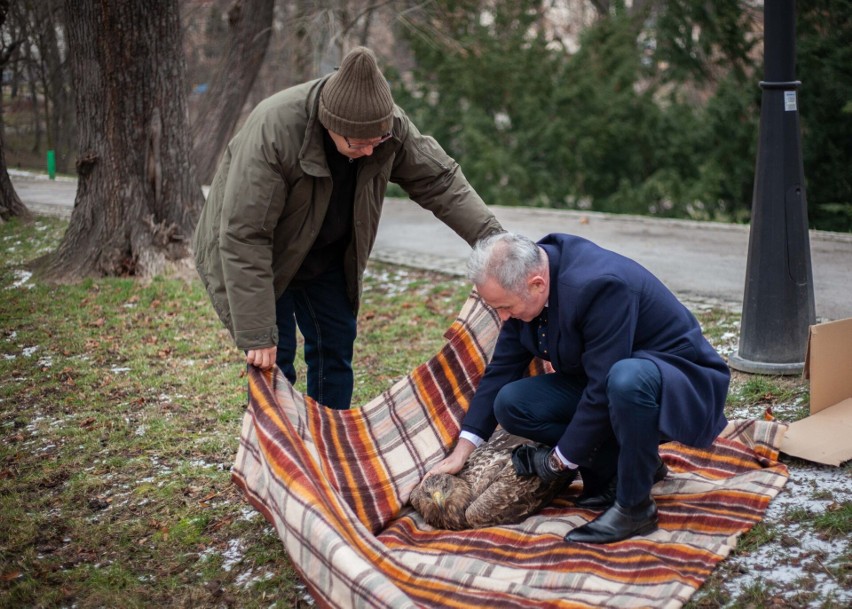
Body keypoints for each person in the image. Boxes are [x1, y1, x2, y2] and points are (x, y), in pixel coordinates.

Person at [193, 47, 502, 410]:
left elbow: (440, 180)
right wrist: (257, 332)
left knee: (335, 347)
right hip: (262, 257)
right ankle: (277, 457)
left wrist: (496, 241)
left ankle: (327, 445)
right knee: (275, 363)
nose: (371, 152)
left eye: (378, 142)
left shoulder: (387, 128)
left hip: (325, 256)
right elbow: (244, 235)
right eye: (358, 144)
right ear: (330, 124)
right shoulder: (275, 130)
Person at [427, 232, 730, 543]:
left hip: (680, 383)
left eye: (505, 307)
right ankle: (631, 463)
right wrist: (464, 449)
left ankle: (635, 507)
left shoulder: (598, 285)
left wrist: (557, 461)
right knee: (511, 403)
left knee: (626, 379)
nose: (503, 317)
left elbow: (602, 388)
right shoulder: (526, 282)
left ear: (537, 284)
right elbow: (502, 369)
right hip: (610, 380)